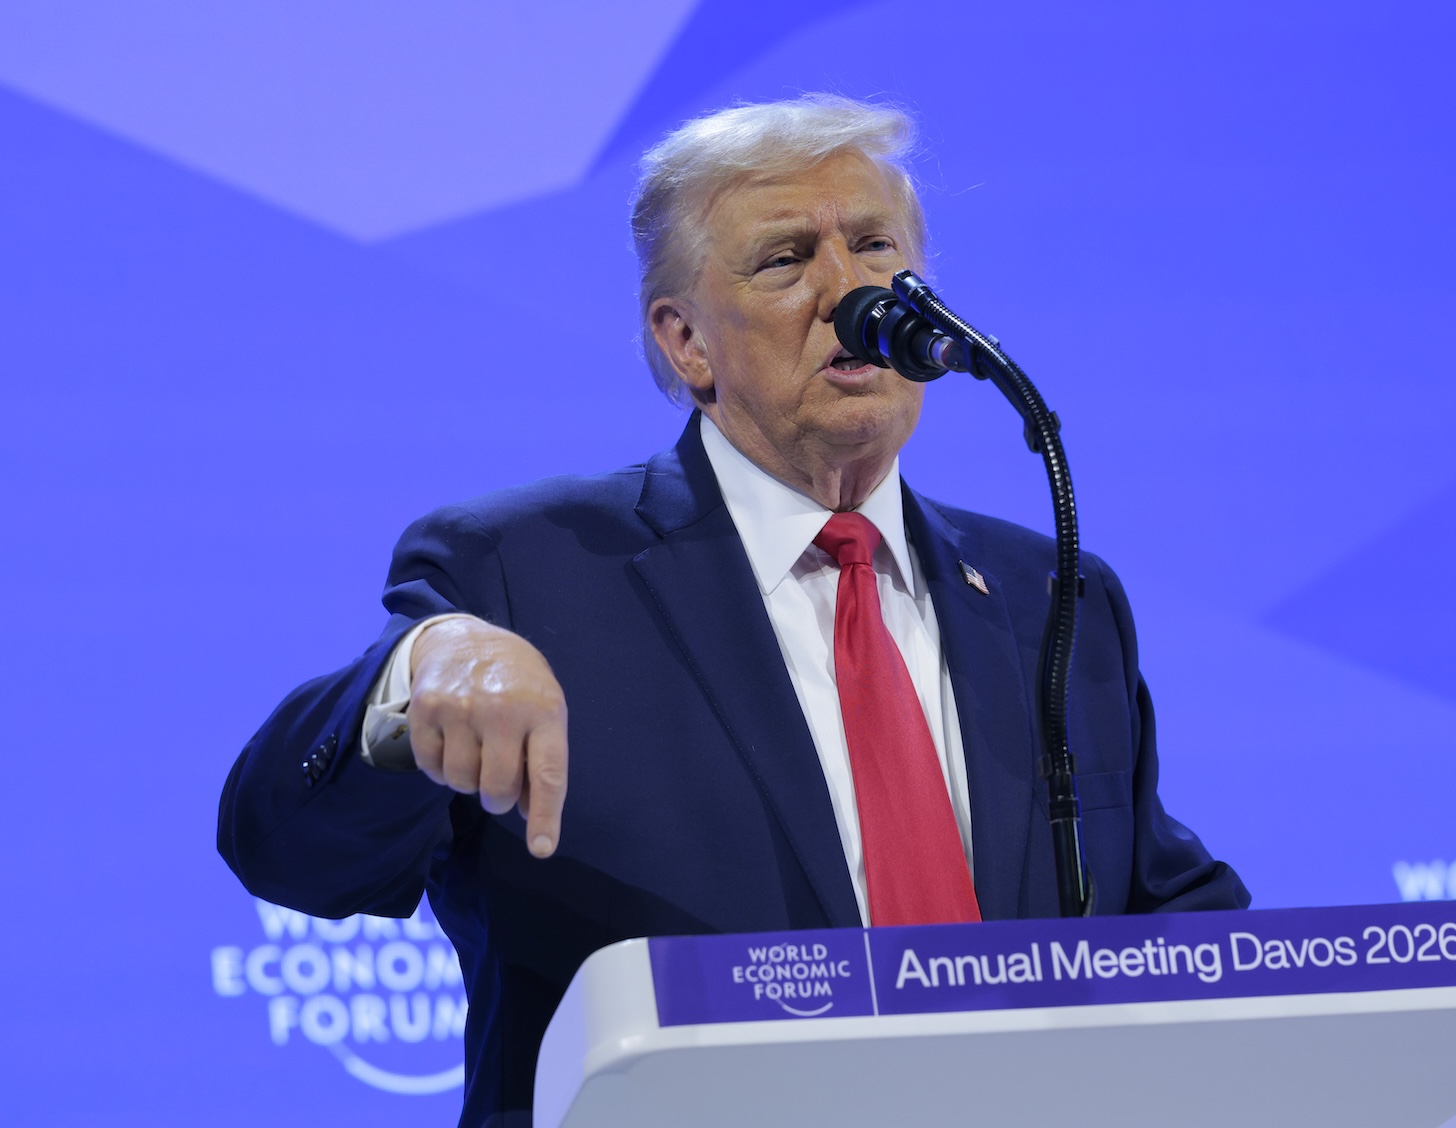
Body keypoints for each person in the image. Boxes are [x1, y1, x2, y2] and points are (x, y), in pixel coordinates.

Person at [218, 95, 1248, 1127]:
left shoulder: (1050, 596)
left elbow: (1155, 914)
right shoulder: (522, 573)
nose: (853, 293)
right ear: (686, 343)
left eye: (876, 245)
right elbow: (289, 851)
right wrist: (408, 685)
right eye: (788, 259)